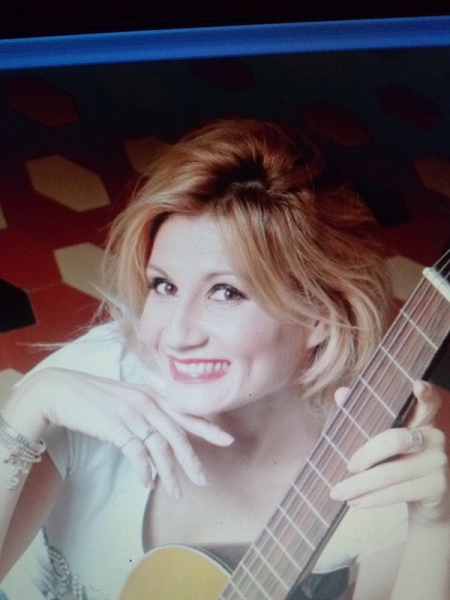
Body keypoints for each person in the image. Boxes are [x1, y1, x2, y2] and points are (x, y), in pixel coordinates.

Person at [0, 117, 448, 600]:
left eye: (226, 292)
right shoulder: (96, 380)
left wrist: (436, 525)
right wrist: (30, 404)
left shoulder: (372, 472)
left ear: (319, 314)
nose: (176, 335)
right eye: (164, 285)